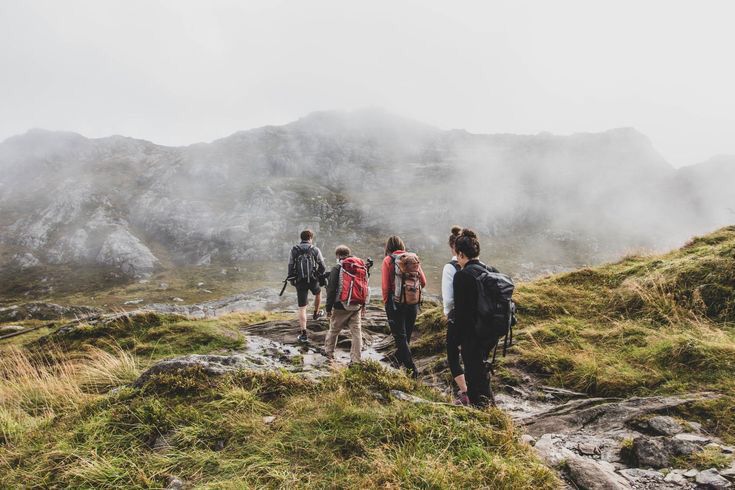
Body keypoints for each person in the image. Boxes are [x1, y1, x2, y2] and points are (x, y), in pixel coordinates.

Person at [453, 228, 500, 407]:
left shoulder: (462, 276)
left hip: (473, 333)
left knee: (473, 374)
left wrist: (458, 339)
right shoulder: (491, 270)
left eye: (458, 255)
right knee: (480, 370)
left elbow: (461, 313)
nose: (457, 259)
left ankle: (484, 411)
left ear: (462, 253)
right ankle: (486, 408)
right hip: (492, 332)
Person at [381, 235, 426, 378]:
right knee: (406, 335)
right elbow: (423, 282)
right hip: (413, 303)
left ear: (388, 247)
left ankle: (412, 369)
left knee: (400, 336)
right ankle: (398, 360)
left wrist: (386, 302)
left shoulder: (388, 260)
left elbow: (385, 286)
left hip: (395, 303)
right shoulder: (412, 259)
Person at [324, 245, 366, 365]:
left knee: (334, 330)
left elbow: (331, 290)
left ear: (337, 255)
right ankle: (356, 359)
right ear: (349, 254)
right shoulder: (359, 266)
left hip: (340, 305)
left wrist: (328, 308)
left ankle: (329, 353)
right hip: (357, 304)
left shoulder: (337, 268)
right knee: (356, 332)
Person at [442, 226, 470, 405]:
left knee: (453, 354)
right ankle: (476, 388)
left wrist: (447, 315)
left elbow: (448, 299)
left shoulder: (450, 267)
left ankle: (465, 392)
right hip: (477, 319)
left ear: (453, 247)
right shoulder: (476, 265)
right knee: (472, 354)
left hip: (457, 318)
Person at [287, 229, 327, 342]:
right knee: (318, 292)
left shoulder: (294, 250)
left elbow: (290, 265)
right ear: (311, 238)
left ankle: (304, 333)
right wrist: (317, 275)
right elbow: (323, 266)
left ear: (301, 238)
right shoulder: (315, 249)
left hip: (300, 281)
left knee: (302, 308)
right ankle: (316, 313)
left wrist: (292, 279)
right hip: (313, 280)